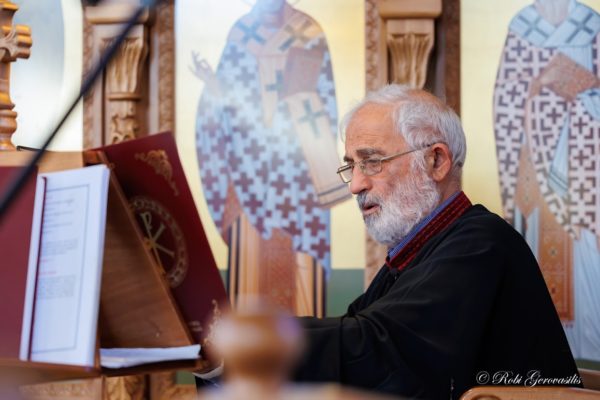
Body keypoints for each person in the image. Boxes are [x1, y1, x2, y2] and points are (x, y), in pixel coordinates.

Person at [196, 85, 580, 399]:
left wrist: (242, 347)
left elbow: (380, 349)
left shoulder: (481, 243)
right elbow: (356, 328)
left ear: (436, 162)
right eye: (351, 165)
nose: (356, 184)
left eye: (372, 161)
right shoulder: (418, 250)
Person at [192, 0, 347, 316]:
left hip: (298, 174)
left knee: (301, 271)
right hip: (247, 172)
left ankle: (308, 345)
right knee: (250, 270)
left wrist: (291, 105)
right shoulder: (241, 34)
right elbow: (227, 105)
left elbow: (322, 102)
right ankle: (250, 344)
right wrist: (215, 89)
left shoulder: (307, 32)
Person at [493, 0, 600, 361]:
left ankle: (590, 345)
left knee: (584, 249)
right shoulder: (523, 26)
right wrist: (538, 89)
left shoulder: (591, 25)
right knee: (536, 247)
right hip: (535, 162)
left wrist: (579, 89)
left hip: (584, 161)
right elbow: (505, 98)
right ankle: (547, 349)